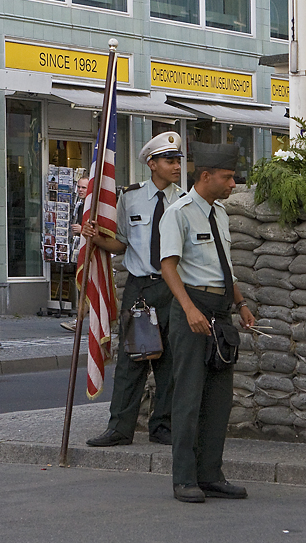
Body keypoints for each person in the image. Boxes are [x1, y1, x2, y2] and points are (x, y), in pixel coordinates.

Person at [159, 141, 255, 503]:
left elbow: (224, 268)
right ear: (206, 176)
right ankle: (184, 478)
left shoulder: (220, 214)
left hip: (220, 311)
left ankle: (210, 474)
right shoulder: (179, 213)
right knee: (188, 397)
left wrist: (240, 303)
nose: (233, 184)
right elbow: (168, 265)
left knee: (219, 399)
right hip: (192, 310)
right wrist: (188, 310)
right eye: (227, 178)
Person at [82, 133, 185, 447]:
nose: (177, 166)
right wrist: (96, 238)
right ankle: (120, 428)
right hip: (140, 287)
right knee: (132, 361)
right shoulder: (129, 197)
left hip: (172, 288)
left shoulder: (184, 200)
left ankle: (162, 426)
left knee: (169, 362)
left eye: (178, 159)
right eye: (169, 161)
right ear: (152, 164)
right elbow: (121, 243)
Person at [60, 177, 91, 331]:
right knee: (84, 288)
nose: (80, 190)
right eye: (78, 187)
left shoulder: (93, 206)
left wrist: (82, 230)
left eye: (84, 187)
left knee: (88, 288)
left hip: (94, 253)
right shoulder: (79, 206)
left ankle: (79, 321)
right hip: (83, 250)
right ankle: (78, 321)